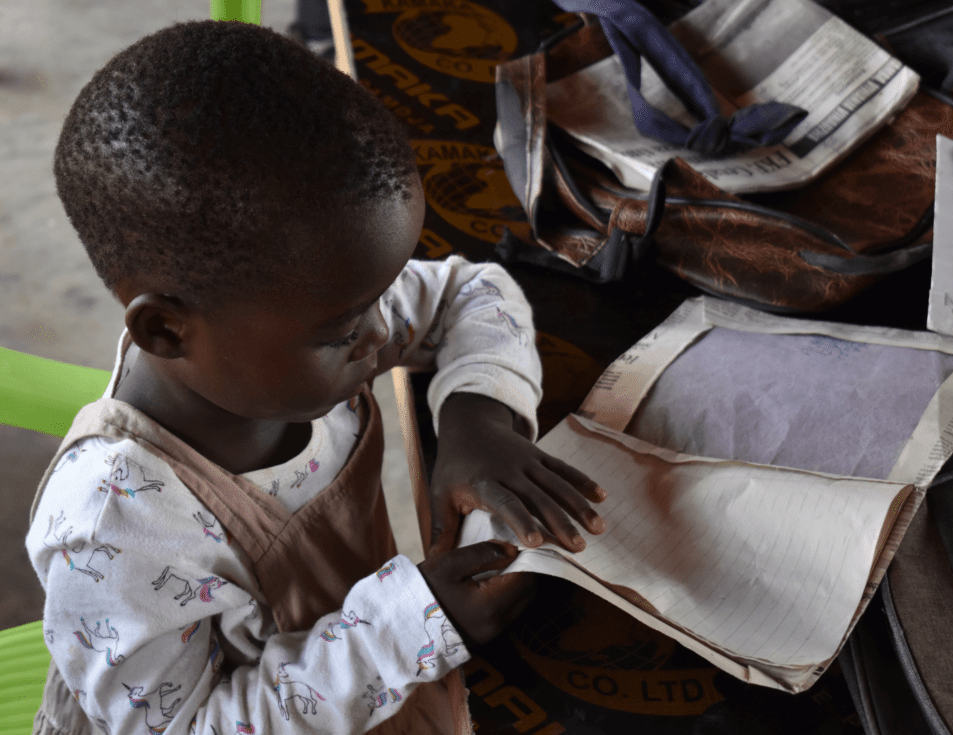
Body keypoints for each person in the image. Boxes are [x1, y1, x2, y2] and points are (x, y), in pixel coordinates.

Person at [25, 19, 606, 735]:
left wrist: (477, 421)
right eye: (342, 330)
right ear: (167, 330)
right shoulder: (115, 530)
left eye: (376, 298)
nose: (379, 332)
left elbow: (473, 291)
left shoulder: (297, 315)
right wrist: (408, 626)